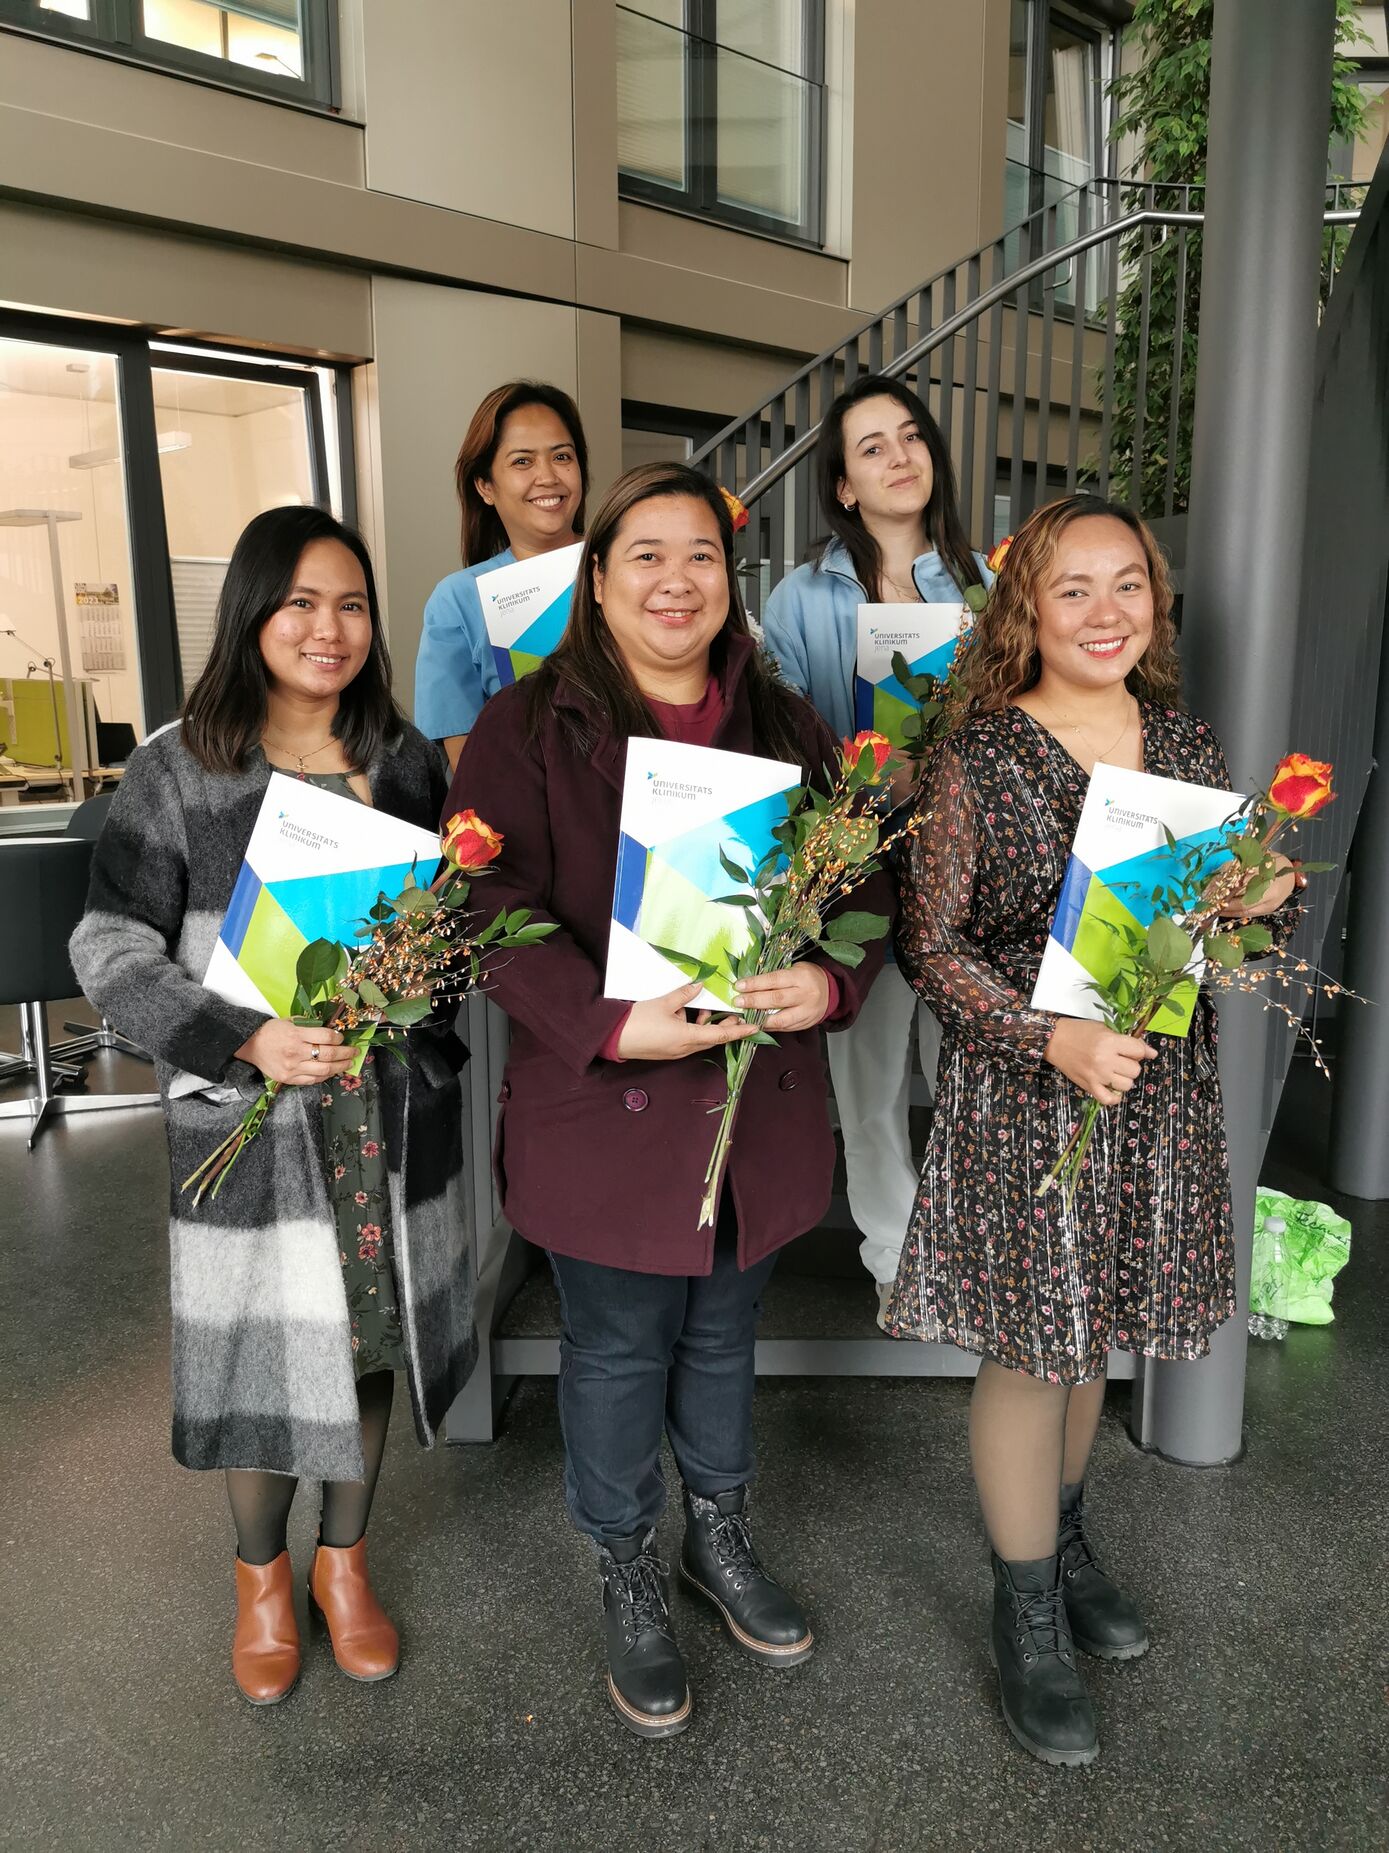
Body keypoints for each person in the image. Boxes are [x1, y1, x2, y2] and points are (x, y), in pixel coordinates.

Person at [447, 462, 892, 1739]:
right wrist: (606, 1019)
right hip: (609, 1107)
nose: (676, 579)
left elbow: (867, 882)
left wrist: (827, 981)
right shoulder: (528, 725)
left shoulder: (790, 726)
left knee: (720, 1335)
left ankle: (721, 1531)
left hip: (756, 1111)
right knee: (620, 1344)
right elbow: (480, 910)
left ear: (727, 579)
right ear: (598, 580)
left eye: (700, 554)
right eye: (644, 554)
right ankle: (627, 1561)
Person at [884, 494, 1298, 1767]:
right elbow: (927, 945)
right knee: (1030, 1349)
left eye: (1130, 585)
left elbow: (1203, 930)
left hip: (1151, 1085)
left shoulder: (1181, 737)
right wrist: (1045, 1035)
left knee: (1094, 1329)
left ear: (1156, 604)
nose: (1107, 611)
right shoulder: (982, 755)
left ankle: (1062, 1547)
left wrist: (1249, 905)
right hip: (1033, 1091)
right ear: (1027, 609)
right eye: (1074, 588)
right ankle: (1023, 1612)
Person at [70, 506, 477, 1706]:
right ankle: (261, 1577)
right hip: (249, 1116)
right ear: (252, 611)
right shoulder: (177, 765)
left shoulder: (405, 760)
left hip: (383, 1112)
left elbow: (441, 936)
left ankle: (344, 1566)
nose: (328, 626)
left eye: (350, 602)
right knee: (258, 1349)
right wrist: (240, 1033)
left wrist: (419, 990)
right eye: (299, 601)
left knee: (366, 1336)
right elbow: (107, 940)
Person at [761, 375, 992, 1324]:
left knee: (972, 1069)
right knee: (866, 1082)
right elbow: (776, 731)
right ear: (843, 486)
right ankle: (898, 1263)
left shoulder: (987, 585)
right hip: (858, 868)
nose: (900, 457)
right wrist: (858, 777)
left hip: (969, 878)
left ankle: (980, 1251)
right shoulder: (799, 596)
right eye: (872, 447)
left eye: (911, 437)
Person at [414, 380, 590, 770]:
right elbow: (468, 764)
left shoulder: (625, 566)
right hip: (526, 811)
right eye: (522, 461)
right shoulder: (458, 601)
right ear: (486, 486)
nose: (548, 477)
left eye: (562, 457)